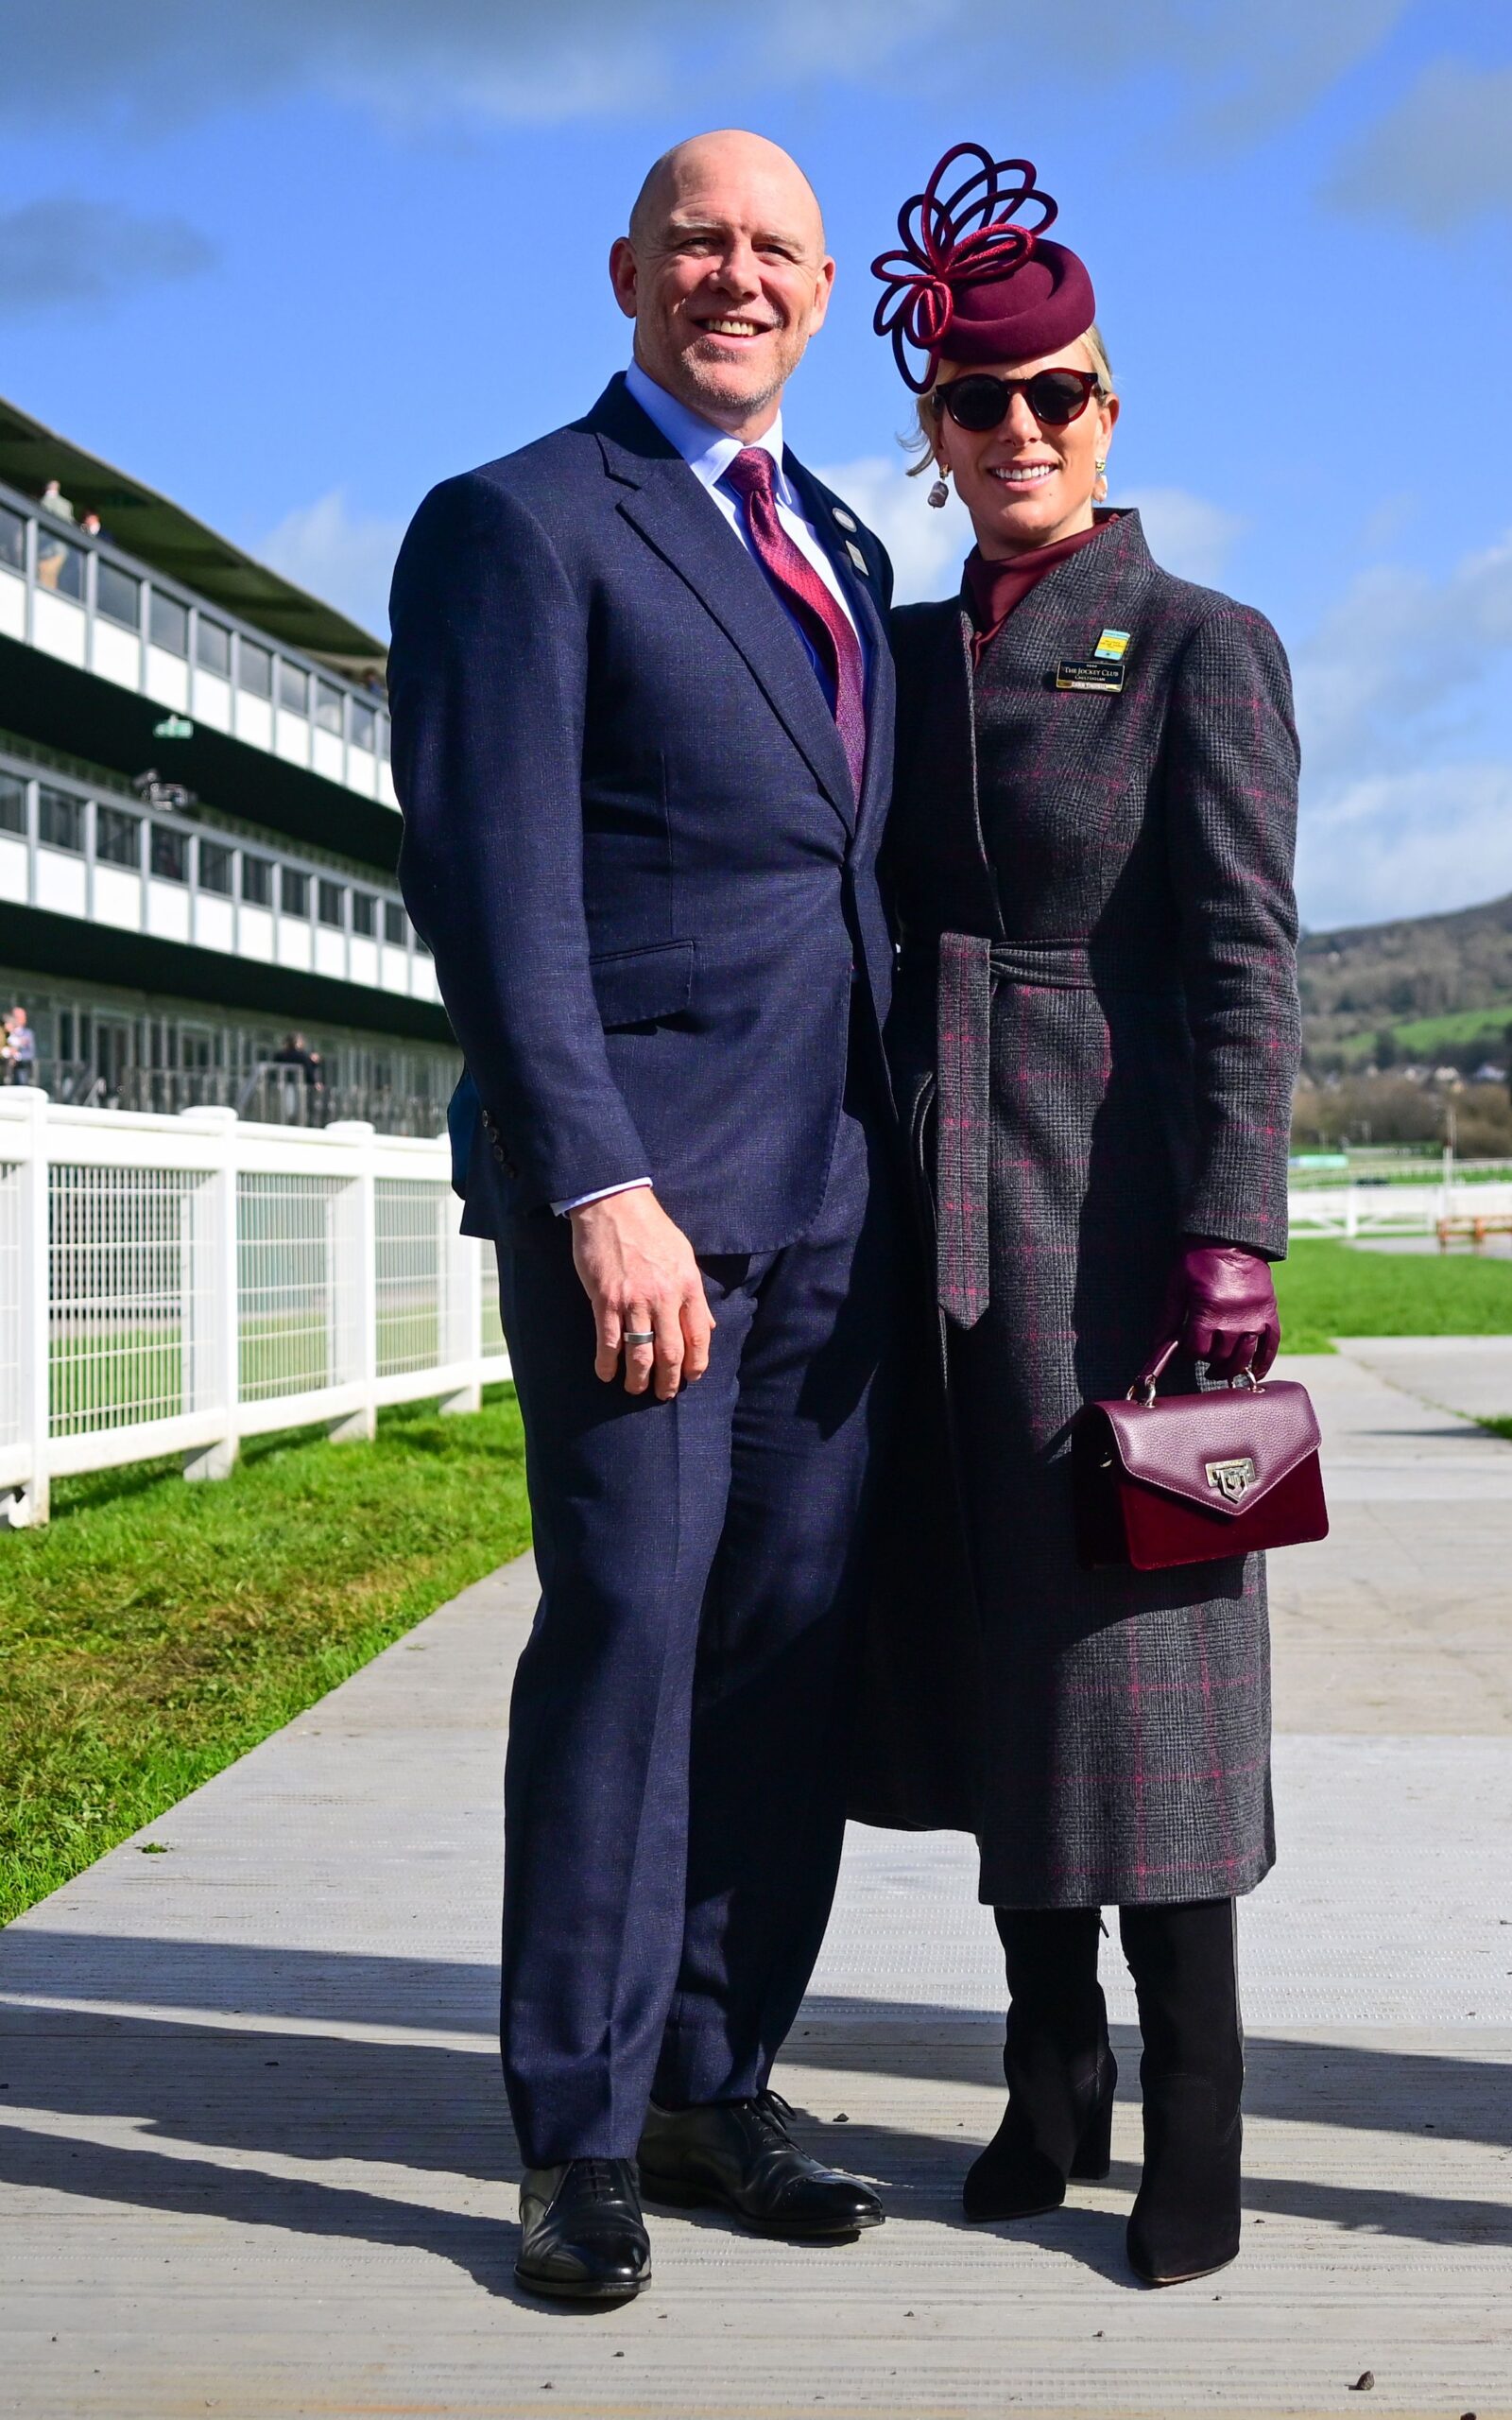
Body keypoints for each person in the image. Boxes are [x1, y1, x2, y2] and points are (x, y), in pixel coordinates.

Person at [388, 130, 901, 2303]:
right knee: (626, 1625)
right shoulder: (516, 525)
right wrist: (596, 1180)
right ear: (625, 268)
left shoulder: (848, 547)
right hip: (644, 1210)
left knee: (784, 1640)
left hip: (838, 1199)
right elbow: (498, 893)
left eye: (776, 248)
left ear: (819, 287)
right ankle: (574, 2126)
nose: (737, 274)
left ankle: (715, 2071)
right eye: (700, 239)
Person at [857, 145, 1301, 2289]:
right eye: (977, 399)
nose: (1019, 430)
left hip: (1118, 1225)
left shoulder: (1200, 643)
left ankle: (1196, 2100)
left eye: (1060, 393)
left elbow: (1242, 956)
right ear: (932, 433)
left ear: (1112, 411)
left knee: (1144, 1667)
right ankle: (1050, 2068)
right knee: (983, 1659)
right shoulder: (894, 648)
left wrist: (1236, 1232)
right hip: (925, 1223)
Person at [2, 1006, 36, 1083]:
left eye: (21, 1017)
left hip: (20, 1072)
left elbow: (30, 1054)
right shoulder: (4, 1032)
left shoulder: (28, 1034)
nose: (18, 1020)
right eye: (16, 1017)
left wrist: (16, 1055)